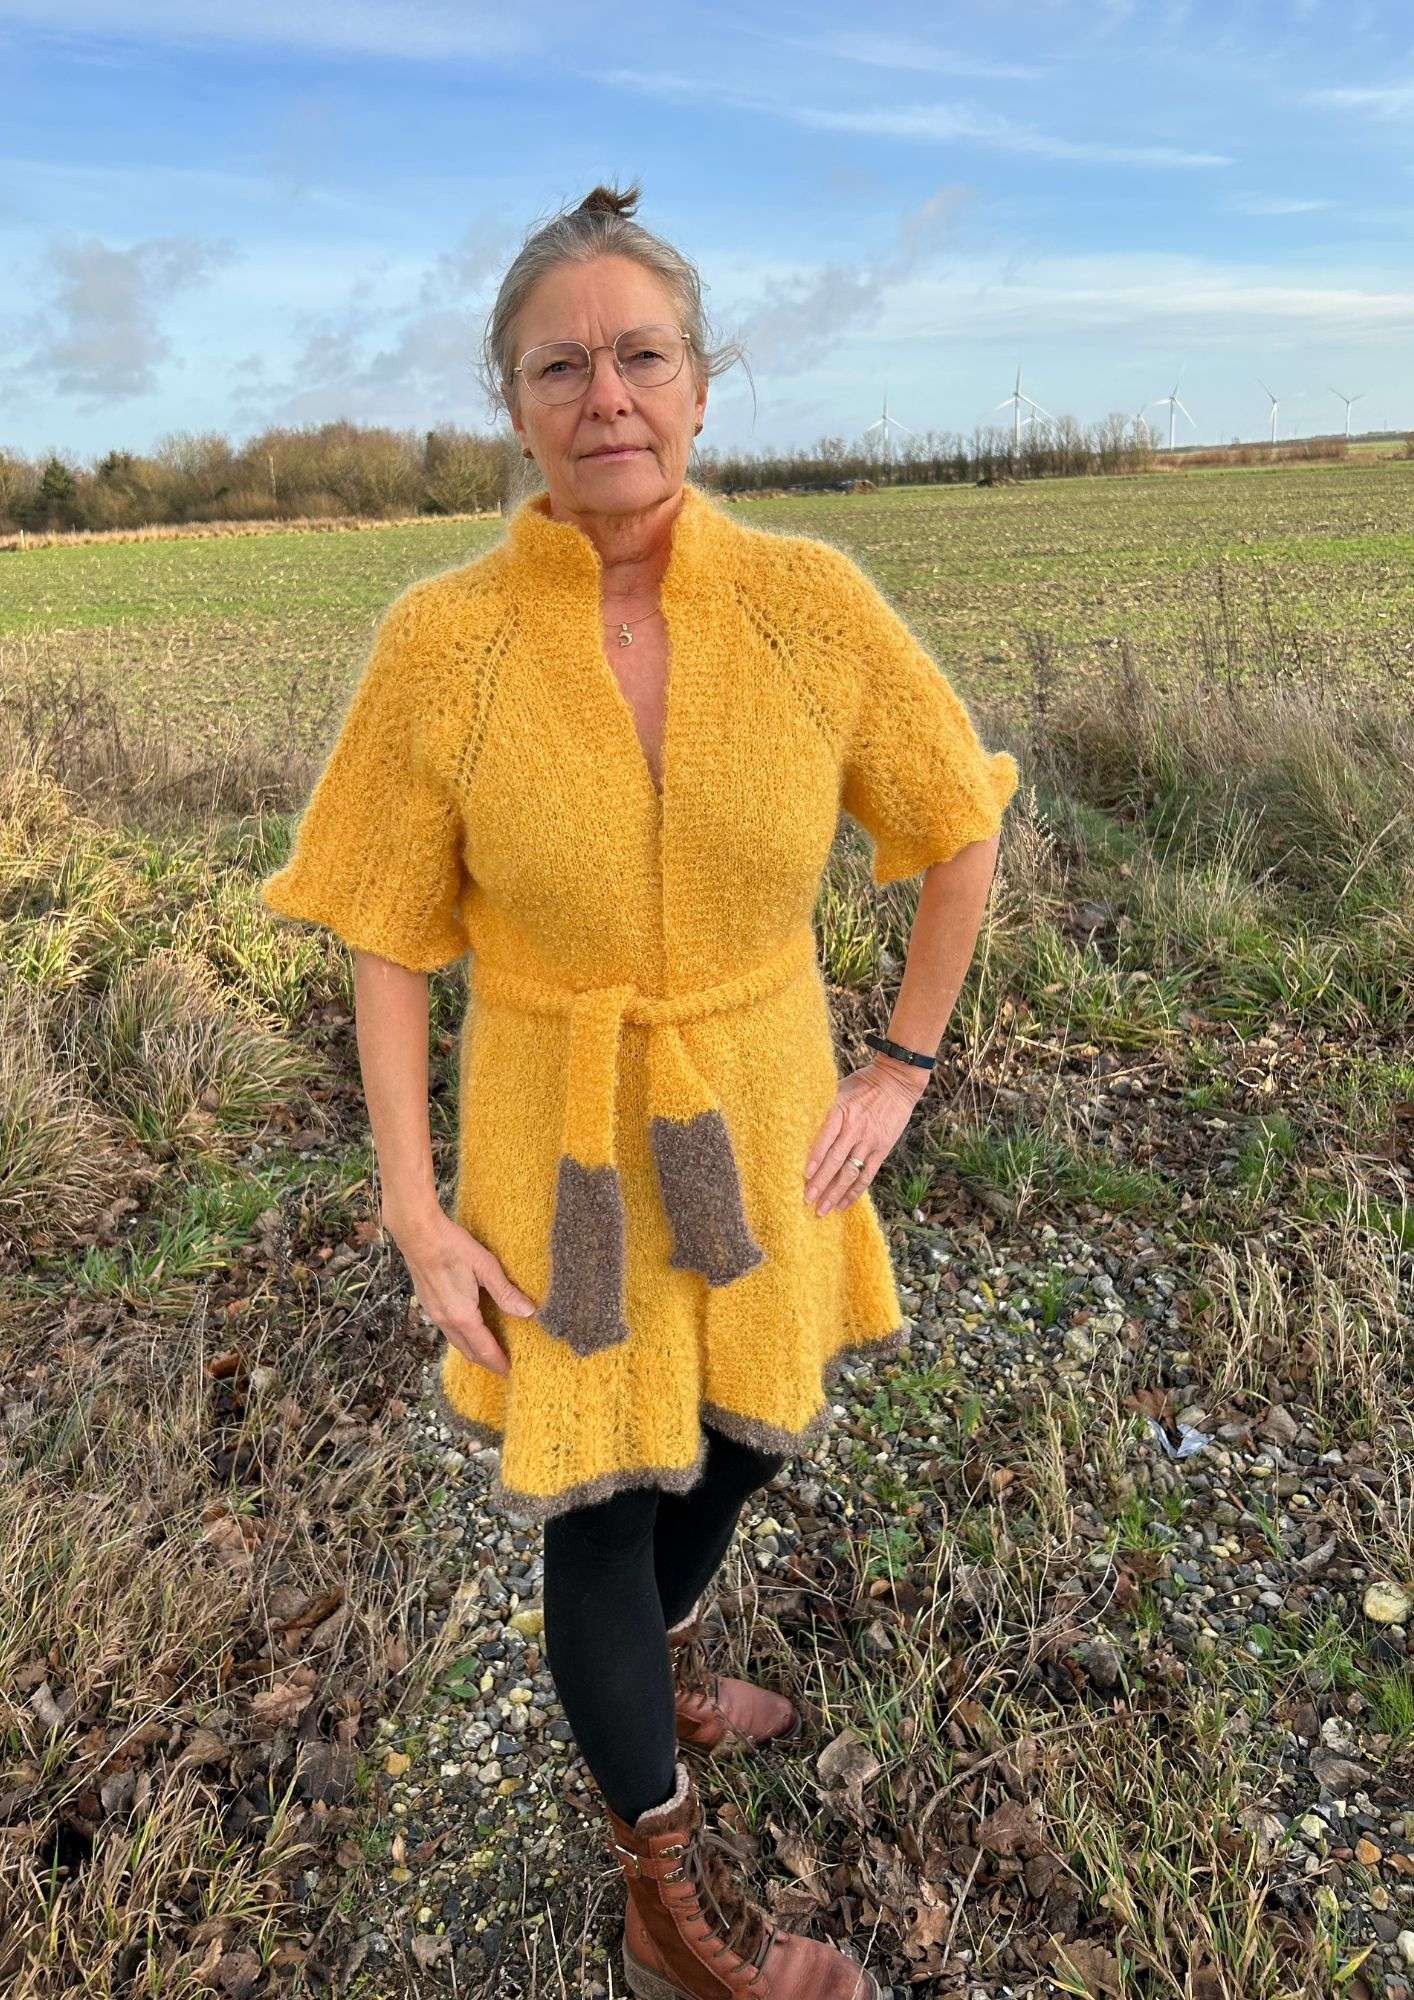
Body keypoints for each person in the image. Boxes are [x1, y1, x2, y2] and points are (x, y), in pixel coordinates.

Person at [258, 180, 1019, 2000]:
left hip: (760, 1102)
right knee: (597, 1491)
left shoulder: (808, 603)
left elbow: (955, 828)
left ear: (699, 384)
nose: (605, 394)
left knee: (746, 1426)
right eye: (561, 365)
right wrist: (414, 1206)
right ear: (512, 404)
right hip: (560, 1133)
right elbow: (384, 936)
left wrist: (899, 1065)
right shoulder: (441, 640)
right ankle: (667, 1908)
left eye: (641, 356)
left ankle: (653, 1652)